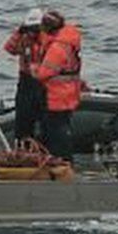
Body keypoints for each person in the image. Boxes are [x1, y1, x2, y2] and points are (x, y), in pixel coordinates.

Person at [33, 10, 84, 161]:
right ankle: (62, 159)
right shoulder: (69, 40)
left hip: (56, 95)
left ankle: (61, 160)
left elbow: (44, 73)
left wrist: (34, 69)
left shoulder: (58, 48)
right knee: (61, 127)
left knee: (56, 130)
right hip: (68, 92)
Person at [2, 8, 48, 141]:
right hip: (26, 82)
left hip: (45, 83)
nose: (33, 31)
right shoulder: (23, 38)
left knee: (46, 121)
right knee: (23, 120)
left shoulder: (48, 39)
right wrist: (19, 32)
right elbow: (10, 48)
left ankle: (44, 148)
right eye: (30, 28)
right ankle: (23, 149)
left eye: (36, 28)